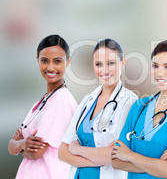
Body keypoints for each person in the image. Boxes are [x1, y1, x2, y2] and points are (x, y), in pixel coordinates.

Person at [111, 39, 167, 179]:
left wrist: (129, 155)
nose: (159, 73)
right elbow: (116, 161)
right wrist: (158, 163)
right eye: (155, 66)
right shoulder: (139, 107)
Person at [58, 39, 138, 179]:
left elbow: (117, 155)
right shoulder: (87, 101)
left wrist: (77, 149)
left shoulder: (130, 102)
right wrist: (99, 157)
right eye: (98, 64)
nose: (104, 70)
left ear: (123, 63)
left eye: (111, 63)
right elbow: (62, 152)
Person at [8, 35, 78, 179]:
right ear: (37, 60)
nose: (50, 67)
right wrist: (22, 143)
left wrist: (19, 144)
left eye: (57, 61)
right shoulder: (42, 101)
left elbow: (35, 153)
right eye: (44, 60)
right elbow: (11, 147)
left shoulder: (60, 102)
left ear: (68, 62)